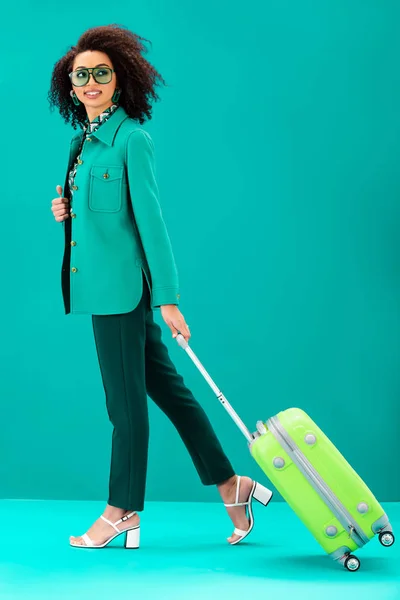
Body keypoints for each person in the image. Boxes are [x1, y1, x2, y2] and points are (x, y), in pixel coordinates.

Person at [48, 24, 273, 550]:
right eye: (80, 75)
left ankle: (121, 511)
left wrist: (167, 296)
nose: (90, 82)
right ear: (71, 84)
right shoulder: (81, 144)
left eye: (100, 73)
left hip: (122, 294)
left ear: (119, 79)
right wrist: (67, 211)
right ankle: (232, 486)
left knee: (124, 409)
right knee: (171, 393)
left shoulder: (132, 140)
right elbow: (104, 217)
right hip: (99, 290)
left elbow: (151, 223)